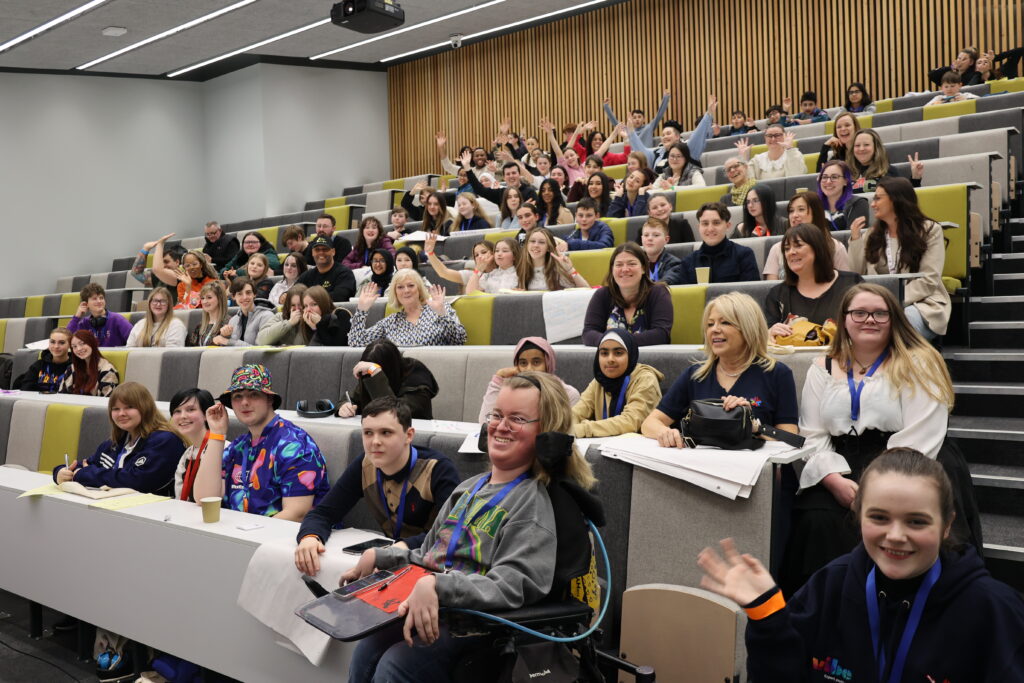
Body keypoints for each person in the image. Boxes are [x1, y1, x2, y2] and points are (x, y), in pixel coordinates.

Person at [343, 371, 596, 683]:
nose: (501, 426)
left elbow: (512, 585)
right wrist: (381, 557)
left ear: (545, 435)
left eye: (517, 418)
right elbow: (428, 555)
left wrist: (439, 586)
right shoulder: (468, 489)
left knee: (397, 663)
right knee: (368, 647)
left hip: (479, 627)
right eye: (497, 415)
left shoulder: (531, 504)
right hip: (438, 611)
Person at [698, 449, 1024, 682]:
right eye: (879, 517)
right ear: (858, 516)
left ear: (947, 525)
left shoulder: (993, 610)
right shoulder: (829, 586)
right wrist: (767, 615)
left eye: (916, 522)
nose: (896, 536)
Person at [779, 284, 958, 593]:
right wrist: (832, 479)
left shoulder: (919, 362)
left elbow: (923, 433)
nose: (869, 320)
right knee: (816, 520)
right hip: (841, 463)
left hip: (910, 461)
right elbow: (812, 434)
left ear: (894, 319)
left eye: (880, 313)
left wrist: (878, 488)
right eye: (859, 313)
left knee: (895, 521)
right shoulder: (821, 367)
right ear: (844, 319)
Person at [295, 398, 461, 574]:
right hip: (391, 558)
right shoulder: (366, 464)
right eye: (368, 433)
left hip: (436, 566)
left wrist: (403, 547)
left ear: (409, 435)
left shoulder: (438, 469)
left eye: (386, 433)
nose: (375, 441)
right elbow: (324, 513)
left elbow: (452, 532)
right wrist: (310, 536)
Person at [641, 292, 799, 447]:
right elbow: (650, 423)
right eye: (710, 324)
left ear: (748, 328)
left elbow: (791, 437)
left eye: (725, 322)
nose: (714, 329)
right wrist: (665, 432)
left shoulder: (777, 373)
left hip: (755, 469)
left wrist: (754, 426)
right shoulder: (695, 374)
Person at [194, 364, 330, 519]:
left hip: (288, 538)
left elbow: (296, 514)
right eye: (238, 396)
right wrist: (217, 434)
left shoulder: (294, 444)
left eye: (253, 395)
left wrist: (244, 535)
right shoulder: (238, 446)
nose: (244, 402)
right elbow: (204, 498)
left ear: (269, 399)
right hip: (242, 534)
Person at [848, 176, 950, 339]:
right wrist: (855, 241)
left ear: (896, 200)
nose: (872, 204)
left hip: (921, 303)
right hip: (877, 305)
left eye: (878, 198)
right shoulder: (872, 234)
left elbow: (929, 280)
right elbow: (856, 274)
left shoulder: (929, 230)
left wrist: (891, 303)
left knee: (900, 322)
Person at [53, 382, 187, 496]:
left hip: (153, 513)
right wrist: (61, 472)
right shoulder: (115, 442)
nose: (121, 413)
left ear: (145, 408)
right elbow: (84, 465)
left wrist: (85, 474)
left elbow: (137, 481)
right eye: (116, 409)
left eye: (129, 407)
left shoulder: (165, 440)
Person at [764, 224, 864, 340]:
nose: (791, 252)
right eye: (786, 248)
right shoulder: (777, 294)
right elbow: (766, 335)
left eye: (798, 245)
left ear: (817, 249)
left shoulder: (852, 283)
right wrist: (770, 332)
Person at [573, 329, 664, 437]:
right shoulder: (600, 380)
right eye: (604, 353)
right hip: (605, 447)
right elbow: (578, 411)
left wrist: (583, 429)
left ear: (630, 354)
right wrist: (563, 425)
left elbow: (631, 421)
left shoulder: (646, 379)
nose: (610, 359)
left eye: (618, 353)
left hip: (638, 449)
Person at [583, 242, 673, 346]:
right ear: (612, 270)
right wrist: (612, 343)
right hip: (612, 360)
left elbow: (661, 335)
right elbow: (588, 333)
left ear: (643, 268)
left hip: (650, 360)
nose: (625, 269)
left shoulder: (658, 293)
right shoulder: (602, 295)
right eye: (619, 265)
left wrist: (617, 342)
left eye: (632, 264)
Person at [348, 270, 467, 347]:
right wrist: (362, 310)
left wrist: (442, 314)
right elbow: (356, 343)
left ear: (419, 289)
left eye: (411, 285)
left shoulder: (441, 309)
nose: (406, 290)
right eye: (400, 287)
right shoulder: (390, 322)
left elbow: (459, 340)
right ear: (395, 293)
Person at [477, 337, 582, 422]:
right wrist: (498, 379)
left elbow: (569, 431)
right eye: (523, 363)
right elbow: (486, 422)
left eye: (536, 362)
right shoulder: (511, 391)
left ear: (548, 364)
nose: (529, 369)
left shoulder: (567, 394)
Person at [336, 340, 439, 420]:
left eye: (371, 370)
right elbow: (351, 398)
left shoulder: (416, 376)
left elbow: (396, 414)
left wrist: (377, 374)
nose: (369, 375)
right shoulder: (369, 375)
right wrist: (344, 406)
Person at [663, 202, 759, 285]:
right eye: (705, 223)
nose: (710, 229)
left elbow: (751, 295)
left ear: (727, 225)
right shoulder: (687, 262)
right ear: (699, 227)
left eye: (716, 223)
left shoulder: (744, 255)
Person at [763, 192, 851, 280]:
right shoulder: (777, 248)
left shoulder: (835, 247)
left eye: (801, 209)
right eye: (791, 211)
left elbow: (845, 284)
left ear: (815, 213)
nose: (794, 215)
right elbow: (771, 286)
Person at [169, 388, 216, 502]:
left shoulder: (222, 449)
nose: (182, 416)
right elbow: (179, 497)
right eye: (177, 411)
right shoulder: (187, 453)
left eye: (190, 410)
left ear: (206, 414)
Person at [849, 129, 924, 193]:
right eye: (857, 145)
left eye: (866, 145)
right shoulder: (846, 173)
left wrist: (916, 178)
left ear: (876, 148)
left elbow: (906, 198)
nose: (861, 149)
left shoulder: (890, 171)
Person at [517, 228, 589, 291]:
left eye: (541, 242)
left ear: (548, 247)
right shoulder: (521, 269)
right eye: (532, 241)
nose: (536, 245)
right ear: (527, 245)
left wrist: (571, 270)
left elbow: (587, 289)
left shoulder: (557, 270)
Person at [154, 244, 219, 311]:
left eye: (194, 264)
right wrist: (188, 286)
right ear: (184, 268)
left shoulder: (213, 282)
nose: (192, 268)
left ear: (201, 264)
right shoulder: (182, 285)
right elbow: (185, 308)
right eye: (187, 266)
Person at [66, 283, 133, 347]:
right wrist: (77, 317)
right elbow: (66, 339)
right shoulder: (84, 323)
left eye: (101, 298)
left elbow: (135, 339)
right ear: (86, 304)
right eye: (94, 299)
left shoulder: (117, 319)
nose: (99, 301)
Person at [213, 277, 275, 347]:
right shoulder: (233, 321)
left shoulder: (267, 316)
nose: (245, 297)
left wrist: (228, 341)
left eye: (248, 293)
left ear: (254, 294)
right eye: (240, 294)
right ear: (233, 297)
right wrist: (225, 336)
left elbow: (259, 350)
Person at [296, 235, 358, 302]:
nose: (321, 252)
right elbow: (294, 292)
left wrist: (311, 300)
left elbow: (340, 296)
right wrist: (284, 295)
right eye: (317, 250)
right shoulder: (307, 275)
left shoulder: (344, 273)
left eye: (325, 249)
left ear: (333, 252)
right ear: (312, 253)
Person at [602, 89, 672, 148]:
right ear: (631, 120)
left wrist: (666, 98)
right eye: (634, 117)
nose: (637, 119)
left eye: (639, 117)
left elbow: (659, 114)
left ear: (644, 119)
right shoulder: (627, 130)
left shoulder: (649, 127)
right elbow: (615, 122)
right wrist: (606, 106)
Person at [59, 330, 119, 397]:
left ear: (92, 343)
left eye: (82, 344)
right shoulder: (72, 368)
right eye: (74, 346)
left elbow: (108, 402)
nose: (78, 349)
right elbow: (61, 396)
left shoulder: (107, 370)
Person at [130, 234, 185, 306]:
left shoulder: (181, 276)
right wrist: (145, 249)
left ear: (177, 262)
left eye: (166, 261)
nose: (163, 265)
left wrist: (160, 244)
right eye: (161, 262)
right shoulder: (157, 277)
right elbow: (136, 273)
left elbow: (157, 269)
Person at [736, 124, 805, 179]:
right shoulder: (757, 159)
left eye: (777, 135)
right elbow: (748, 182)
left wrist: (789, 148)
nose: (773, 139)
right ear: (765, 138)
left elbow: (796, 178)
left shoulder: (793, 154)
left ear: (784, 136)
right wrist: (743, 158)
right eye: (769, 136)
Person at [817, 160, 869, 232]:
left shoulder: (858, 203)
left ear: (846, 181)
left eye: (834, 177)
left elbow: (855, 238)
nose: (828, 181)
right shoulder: (814, 205)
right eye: (824, 177)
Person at [19, 328, 73, 392]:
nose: (56, 346)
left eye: (61, 343)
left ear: (70, 345)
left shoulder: (76, 367)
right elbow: (26, 389)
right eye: (52, 342)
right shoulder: (38, 365)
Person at [186, 281, 230, 347]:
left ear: (220, 298)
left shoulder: (229, 323)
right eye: (202, 298)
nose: (204, 302)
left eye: (209, 297)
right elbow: (191, 350)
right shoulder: (200, 326)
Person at [639, 217, 681, 282]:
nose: (649, 238)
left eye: (656, 235)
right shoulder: (636, 262)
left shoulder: (674, 264)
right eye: (646, 235)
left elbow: (665, 284)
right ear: (642, 239)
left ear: (666, 240)